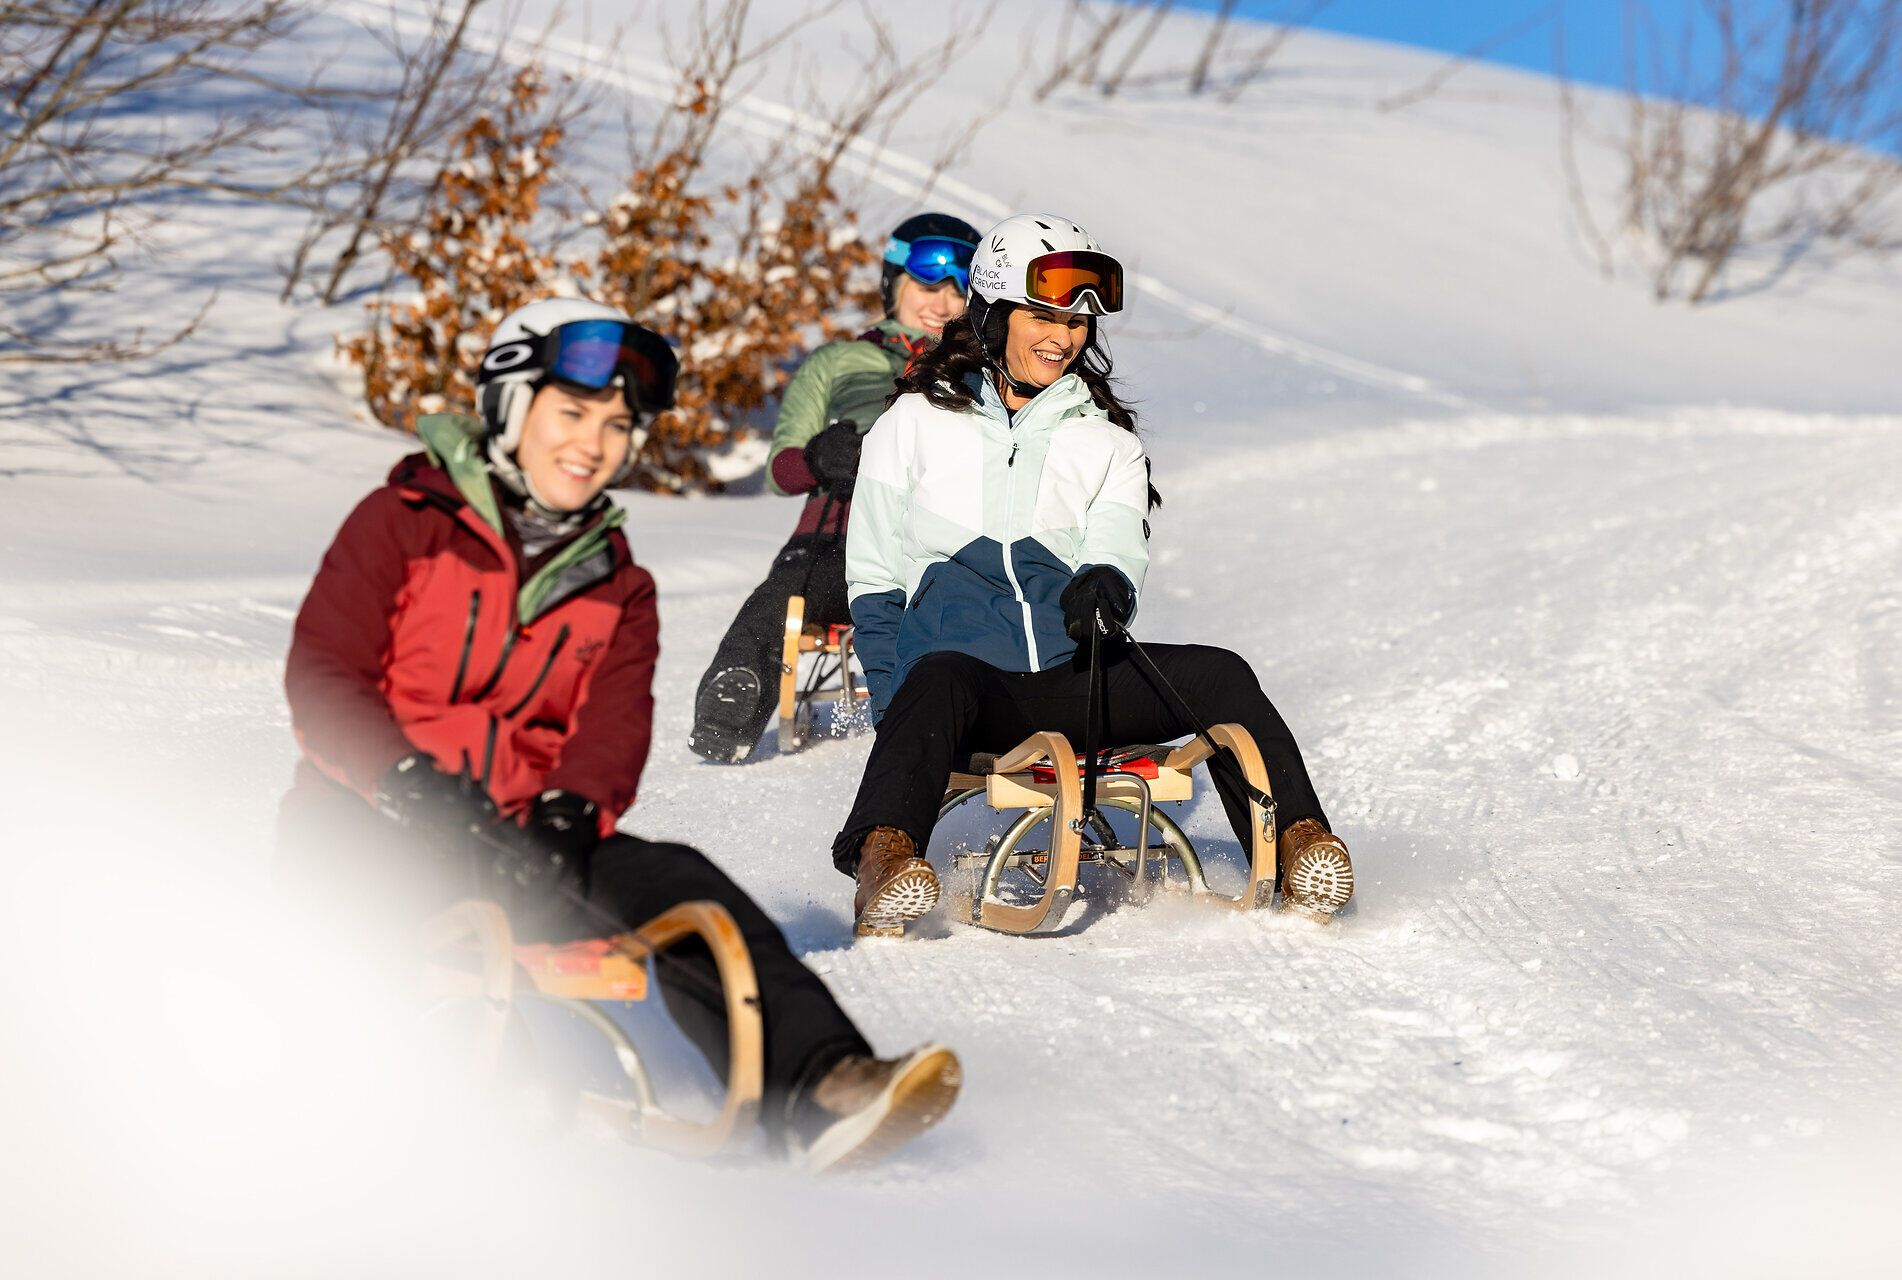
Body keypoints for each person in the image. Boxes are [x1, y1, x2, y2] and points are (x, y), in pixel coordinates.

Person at [278, 296, 960, 1170]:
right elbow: (325, 675)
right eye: (571, 413)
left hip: (517, 836)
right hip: (370, 817)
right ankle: (398, 1115)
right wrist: (403, 779)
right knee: (379, 940)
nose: (594, 443)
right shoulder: (403, 522)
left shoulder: (618, 583)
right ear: (509, 407)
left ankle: (820, 1084)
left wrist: (571, 809)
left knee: (682, 884)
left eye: (616, 425)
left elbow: (612, 725)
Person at [830, 214, 1356, 938]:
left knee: (1222, 674)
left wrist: (1106, 582)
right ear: (992, 313)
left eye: (1077, 322)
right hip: (966, 694)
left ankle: (1300, 846)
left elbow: (1116, 547)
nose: (1064, 336)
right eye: (1043, 316)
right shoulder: (912, 423)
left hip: (1075, 685)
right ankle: (885, 862)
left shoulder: (1107, 445)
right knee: (938, 673)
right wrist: (897, 707)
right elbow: (874, 578)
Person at [688, 213, 983, 763]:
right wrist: (819, 457)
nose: (942, 304)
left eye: (957, 291)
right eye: (927, 285)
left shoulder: (979, 371)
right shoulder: (839, 362)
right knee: (788, 591)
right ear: (893, 284)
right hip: (836, 543)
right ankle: (731, 703)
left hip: (931, 545)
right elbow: (780, 471)